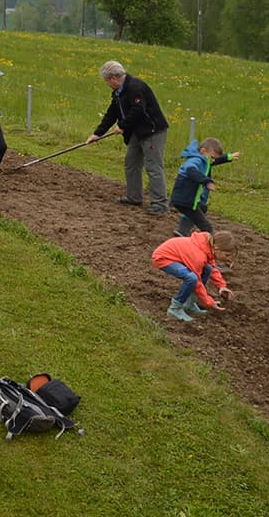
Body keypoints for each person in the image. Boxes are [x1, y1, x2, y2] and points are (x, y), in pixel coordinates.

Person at [85, 60, 170, 214]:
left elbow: (138, 110)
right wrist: (97, 133)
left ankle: (160, 204)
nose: (107, 84)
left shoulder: (135, 87)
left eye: (107, 81)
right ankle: (134, 197)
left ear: (113, 78)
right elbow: (112, 113)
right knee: (131, 162)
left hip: (152, 131)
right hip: (137, 132)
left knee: (153, 166)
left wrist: (122, 125)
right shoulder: (119, 93)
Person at [152, 229, 235, 322]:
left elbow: (212, 267)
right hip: (163, 258)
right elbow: (197, 282)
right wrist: (209, 302)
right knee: (191, 278)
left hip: (176, 257)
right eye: (227, 255)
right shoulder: (198, 256)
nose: (228, 259)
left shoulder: (208, 246)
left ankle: (190, 303)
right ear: (217, 248)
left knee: (207, 269)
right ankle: (174, 309)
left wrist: (221, 286)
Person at [171, 137, 242, 236]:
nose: (213, 161)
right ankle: (211, 243)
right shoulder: (195, 161)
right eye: (212, 157)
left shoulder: (202, 158)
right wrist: (206, 181)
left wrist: (228, 157)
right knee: (207, 227)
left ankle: (182, 231)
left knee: (202, 208)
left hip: (185, 199)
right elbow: (190, 170)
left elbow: (214, 160)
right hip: (186, 200)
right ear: (203, 151)